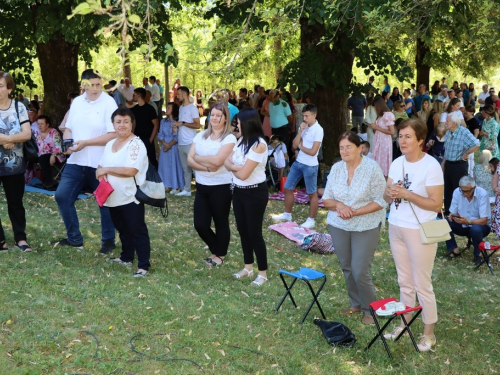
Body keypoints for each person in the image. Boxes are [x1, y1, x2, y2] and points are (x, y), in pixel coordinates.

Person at [383, 117, 444, 352]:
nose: (403, 140)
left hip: (420, 230)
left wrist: (407, 194)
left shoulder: (431, 166)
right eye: (400, 136)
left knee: (421, 283)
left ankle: (429, 333)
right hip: (396, 225)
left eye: (408, 136)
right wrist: (389, 192)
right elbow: (388, 197)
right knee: (404, 281)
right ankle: (404, 324)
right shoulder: (396, 163)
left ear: (421, 140)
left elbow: (436, 204)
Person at [322, 131, 386, 325]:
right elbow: (327, 199)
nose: (344, 151)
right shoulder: (336, 169)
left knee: (360, 269)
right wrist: (340, 206)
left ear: (361, 148)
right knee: (347, 266)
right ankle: (355, 303)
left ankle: (370, 309)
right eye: (341, 147)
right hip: (339, 223)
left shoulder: (372, 168)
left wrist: (355, 212)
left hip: (366, 224)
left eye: (348, 147)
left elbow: (381, 200)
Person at [55, 69, 117, 253]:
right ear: (83, 85)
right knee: (62, 196)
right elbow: (68, 128)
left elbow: (113, 134)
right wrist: (67, 143)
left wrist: (86, 143)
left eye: (99, 84)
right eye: (92, 85)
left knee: (104, 202)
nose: (96, 88)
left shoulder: (109, 102)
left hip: (100, 162)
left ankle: (108, 241)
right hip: (76, 160)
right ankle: (74, 238)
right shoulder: (77, 103)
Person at [96, 107, 150, 277]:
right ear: (113, 124)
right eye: (118, 122)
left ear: (132, 124)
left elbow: (131, 170)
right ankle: (126, 257)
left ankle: (143, 266)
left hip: (130, 196)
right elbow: (101, 165)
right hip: (112, 195)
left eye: (126, 121)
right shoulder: (110, 144)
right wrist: (100, 172)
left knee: (137, 230)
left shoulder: (136, 144)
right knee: (122, 228)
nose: (122, 125)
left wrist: (106, 169)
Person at [187, 103, 237, 267]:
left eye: (218, 115)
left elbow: (218, 161)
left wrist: (198, 158)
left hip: (221, 186)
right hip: (202, 186)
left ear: (225, 119)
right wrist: (207, 167)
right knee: (200, 224)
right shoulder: (200, 136)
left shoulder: (229, 138)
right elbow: (189, 159)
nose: (214, 118)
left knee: (220, 222)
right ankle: (217, 248)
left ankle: (219, 255)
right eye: (212, 115)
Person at [224, 109, 269, 286]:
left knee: (254, 233)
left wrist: (235, 167)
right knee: (243, 230)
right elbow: (227, 162)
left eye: (239, 123)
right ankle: (248, 267)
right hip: (239, 191)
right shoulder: (241, 140)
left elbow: (243, 174)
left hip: (255, 193)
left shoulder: (259, 144)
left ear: (248, 124)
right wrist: (237, 167)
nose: (236, 126)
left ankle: (262, 273)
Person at [271, 104, 323, 228]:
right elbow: (294, 145)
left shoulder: (318, 130)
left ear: (314, 115)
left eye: (307, 116)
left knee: (312, 193)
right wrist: (300, 131)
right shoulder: (304, 127)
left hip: (310, 165)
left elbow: (313, 152)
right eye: (303, 115)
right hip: (298, 163)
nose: (304, 118)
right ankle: (287, 214)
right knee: (288, 187)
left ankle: (311, 220)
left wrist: (301, 147)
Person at [0, 71, 34, 252]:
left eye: (0, 86)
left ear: (9, 88)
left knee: (15, 203)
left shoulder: (18, 106)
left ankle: (20, 238)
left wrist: (8, 138)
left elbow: (27, 134)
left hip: (14, 164)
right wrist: (9, 139)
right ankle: (0, 241)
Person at [446, 176, 491, 265]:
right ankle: (454, 250)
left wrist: (468, 221)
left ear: (474, 188)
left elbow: (484, 220)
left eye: (467, 191)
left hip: (481, 227)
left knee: (475, 229)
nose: (464, 193)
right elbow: (452, 212)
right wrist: (452, 216)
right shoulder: (457, 192)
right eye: (462, 190)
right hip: (464, 225)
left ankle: (477, 254)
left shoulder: (482, 194)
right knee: (445, 222)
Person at [442, 113, 480, 214]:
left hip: (459, 165)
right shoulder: (448, 132)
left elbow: (476, 144)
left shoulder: (463, 132)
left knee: (459, 190)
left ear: (454, 123)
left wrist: (466, 153)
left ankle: (459, 214)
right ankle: (448, 213)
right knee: (448, 190)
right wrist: (443, 163)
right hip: (449, 164)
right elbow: (447, 150)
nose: (445, 122)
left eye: (448, 121)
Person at [172, 86, 200, 197]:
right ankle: (187, 190)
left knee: (194, 167)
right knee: (185, 168)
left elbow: (197, 125)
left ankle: (200, 189)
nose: (177, 96)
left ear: (184, 95)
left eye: (178, 94)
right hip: (181, 142)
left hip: (190, 142)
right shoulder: (181, 108)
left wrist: (182, 123)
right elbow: (182, 123)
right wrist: (177, 127)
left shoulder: (192, 108)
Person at [158, 102, 184, 193]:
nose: (166, 109)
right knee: (164, 166)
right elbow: (160, 134)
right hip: (164, 145)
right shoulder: (163, 121)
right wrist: (164, 144)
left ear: (173, 110)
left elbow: (176, 136)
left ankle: (175, 186)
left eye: (169, 108)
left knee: (174, 165)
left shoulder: (176, 122)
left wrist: (169, 145)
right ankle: (165, 184)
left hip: (173, 147)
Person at [130, 88, 159, 169]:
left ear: (138, 96)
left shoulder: (150, 108)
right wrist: (131, 137)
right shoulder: (134, 109)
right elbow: (134, 124)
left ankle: (156, 179)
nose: (133, 96)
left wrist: (151, 139)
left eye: (134, 94)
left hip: (147, 139)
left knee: (152, 160)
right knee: (138, 161)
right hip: (137, 139)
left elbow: (156, 125)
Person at [35, 115, 65, 189]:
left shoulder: (53, 132)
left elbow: (59, 147)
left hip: (55, 155)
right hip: (40, 155)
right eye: (38, 124)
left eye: (42, 124)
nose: (39, 126)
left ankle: (49, 181)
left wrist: (53, 155)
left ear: (47, 124)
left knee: (43, 158)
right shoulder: (37, 134)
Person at [370, 97, 395, 177]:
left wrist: (377, 128)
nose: (375, 109)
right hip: (378, 141)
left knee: (384, 164)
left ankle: (386, 184)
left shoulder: (387, 115)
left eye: (375, 107)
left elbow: (392, 132)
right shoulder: (380, 116)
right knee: (377, 161)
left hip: (384, 143)